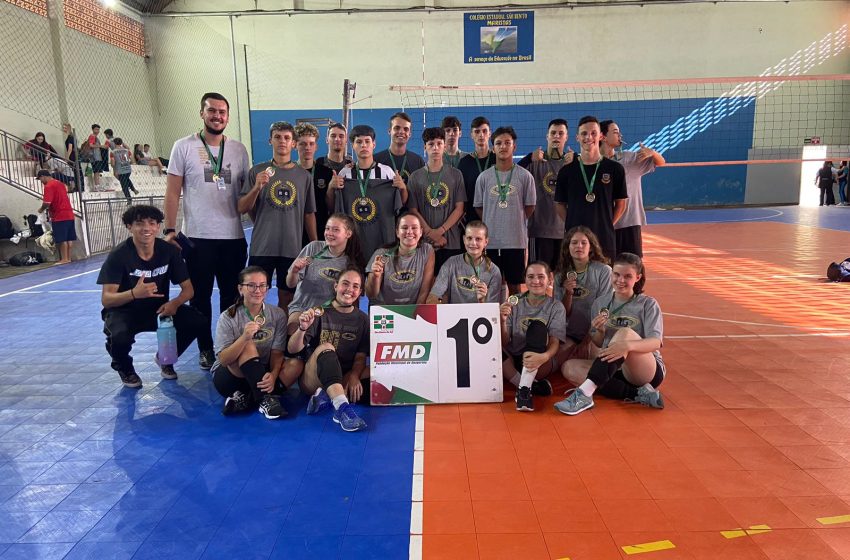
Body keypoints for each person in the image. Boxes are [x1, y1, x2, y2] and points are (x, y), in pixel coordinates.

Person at [164, 92, 250, 370]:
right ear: (202, 113)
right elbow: (173, 191)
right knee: (200, 297)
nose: (217, 116)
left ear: (228, 116)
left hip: (233, 238)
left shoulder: (238, 150)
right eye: (212, 111)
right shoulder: (183, 146)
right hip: (198, 238)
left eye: (223, 112)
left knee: (232, 297)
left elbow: (246, 193)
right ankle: (205, 349)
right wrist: (169, 230)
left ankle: (229, 347)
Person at [97, 205, 206, 388]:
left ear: (157, 227)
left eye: (152, 223)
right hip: (124, 311)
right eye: (139, 223)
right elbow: (107, 299)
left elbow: (188, 290)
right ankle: (125, 368)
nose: (146, 228)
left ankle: (165, 358)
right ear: (129, 226)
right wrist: (134, 293)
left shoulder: (169, 252)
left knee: (198, 321)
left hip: (159, 309)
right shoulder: (119, 255)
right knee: (119, 336)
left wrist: (175, 303)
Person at [556, 252, 665, 415]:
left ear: (637, 277)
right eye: (616, 274)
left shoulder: (648, 304)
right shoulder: (600, 303)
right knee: (569, 367)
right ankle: (637, 394)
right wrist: (599, 331)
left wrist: (626, 346)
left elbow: (656, 342)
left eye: (627, 276)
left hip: (644, 370)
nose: (620, 280)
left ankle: (585, 394)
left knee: (624, 333)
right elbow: (600, 343)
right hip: (613, 368)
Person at [239, 121, 317, 316]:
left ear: (293, 143)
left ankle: (281, 343)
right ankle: (254, 339)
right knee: (253, 295)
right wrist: (257, 188)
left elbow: (309, 213)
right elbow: (243, 208)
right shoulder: (257, 171)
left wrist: (315, 245)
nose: (282, 141)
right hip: (262, 246)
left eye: (286, 138)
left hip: (291, 247)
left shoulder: (303, 176)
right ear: (270, 141)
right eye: (277, 137)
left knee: (287, 296)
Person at [286, 266, 369, 432]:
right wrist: (302, 329)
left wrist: (354, 375)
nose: (350, 290)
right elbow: (292, 349)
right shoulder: (319, 312)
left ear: (360, 292)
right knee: (327, 347)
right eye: (345, 284)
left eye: (355, 286)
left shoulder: (362, 319)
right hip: (313, 377)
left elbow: (360, 357)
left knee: (381, 368)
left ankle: (328, 396)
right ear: (336, 286)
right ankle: (342, 408)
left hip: (342, 375)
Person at [211, 266, 288, 420]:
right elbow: (224, 360)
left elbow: (277, 353)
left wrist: (273, 375)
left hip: (262, 374)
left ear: (267, 289)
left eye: (262, 285)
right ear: (241, 289)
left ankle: (245, 399)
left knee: (295, 365)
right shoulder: (228, 317)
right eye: (251, 285)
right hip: (230, 376)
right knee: (248, 345)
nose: (257, 290)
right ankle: (266, 399)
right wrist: (244, 338)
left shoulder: (278, 314)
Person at [555, 115, 628, 262]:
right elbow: (559, 204)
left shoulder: (615, 169)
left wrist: (607, 223)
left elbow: (621, 203)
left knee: (605, 281)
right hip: (576, 240)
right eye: (584, 133)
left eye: (594, 133)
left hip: (604, 238)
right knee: (576, 281)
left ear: (601, 136)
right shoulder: (566, 171)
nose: (589, 137)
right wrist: (572, 225)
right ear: (577, 137)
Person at [473, 126, 536, 295]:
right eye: (499, 143)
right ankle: (495, 320)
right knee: (491, 286)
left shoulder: (524, 176)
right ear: (493, 148)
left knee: (515, 287)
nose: (503, 146)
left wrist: (514, 218)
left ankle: (514, 319)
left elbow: (529, 206)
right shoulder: (484, 177)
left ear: (514, 147)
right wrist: (492, 219)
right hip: (490, 242)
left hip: (515, 241)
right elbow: (479, 207)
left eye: (507, 143)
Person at [498, 262, 567, 412]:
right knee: (491, 347)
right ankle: (529, 386)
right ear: (525, 279)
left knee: (537, 327)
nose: (536, 281)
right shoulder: (513, 301)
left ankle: (523, 392)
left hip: (539, 360)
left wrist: (545, 356)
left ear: (550, 279)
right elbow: (503, 342)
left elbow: (555, 341)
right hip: (513, 358)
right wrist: (502, 321)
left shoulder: (556, 307)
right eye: (531, 277)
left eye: (541, 277)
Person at [330, 124, 404, 260]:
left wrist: (403, 187)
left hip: (381, 238)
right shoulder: (345, 173)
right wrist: (331, 187)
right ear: (353, 146)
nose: (363, 145)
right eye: (359, 142)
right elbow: (334, 206)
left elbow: (400, 205)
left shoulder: (387, 172)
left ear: (374, 144)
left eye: (367, 141)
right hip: (354, 242)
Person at [286, 213, 364, 334]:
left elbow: (353, 298)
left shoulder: (351, 262)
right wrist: (293, 271)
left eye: (335, 230)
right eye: (327, 228)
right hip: (303, 308)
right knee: (293, 328)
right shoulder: (313, 248)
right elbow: (290, 284)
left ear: (348, 234)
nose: (329, 233)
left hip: (331, 313)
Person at [600, 120, 665, 257]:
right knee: (607, 266)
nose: (620, 135)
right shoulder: (592, 162)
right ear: (603, 137)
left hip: (629, 223)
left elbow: (661, 162)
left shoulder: (629, 158)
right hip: (604, 224)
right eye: (615, 132)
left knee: (633, 265)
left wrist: (652, 153)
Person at [406, 127, 466, 273]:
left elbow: (460, 208)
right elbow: (413, 210)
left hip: (450, 240)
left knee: (450, 286)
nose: (435, 148)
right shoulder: (415, 177)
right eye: (431, 144)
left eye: (439, 144)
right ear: (424, 147)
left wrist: (440, 231)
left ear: (445, 146)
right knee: (425, 285)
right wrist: (429, 233)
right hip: (424, 241)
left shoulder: (456, 175)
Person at [553, 226, 611, 371]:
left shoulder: (603, 271)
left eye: (583, 243)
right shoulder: (560, 276)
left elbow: (603, 312)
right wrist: (568, 293)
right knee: (555, 361)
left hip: (596, 335)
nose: (579, 246)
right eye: (574, 243)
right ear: (568, 247)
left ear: (591, 247)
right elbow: (562, 314)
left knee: (596, 361)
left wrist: (586, 342)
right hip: (571, 334)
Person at [518, 118, 573, 269]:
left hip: (565, 232)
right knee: (537, 276)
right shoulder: (535, 162)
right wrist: (529, 158)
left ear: (566, 137)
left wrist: (578, 161)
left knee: (563, 278)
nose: (556, 136)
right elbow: (512, 173)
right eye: (553, 133)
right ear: (547, 136)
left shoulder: (572, 163)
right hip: (539, 231)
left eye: (560, 133)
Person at [366, 212, 435, 305]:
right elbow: (371, 294)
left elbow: (425, 291)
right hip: (384, 310)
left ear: (421, 232)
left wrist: (416, 314)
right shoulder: (382, 254)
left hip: (412, 310)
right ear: (397, 232)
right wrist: (375, 276)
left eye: (414, 228)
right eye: (404, 228)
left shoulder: (427, 251)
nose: (409, 231)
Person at [427, 220, 502, 304]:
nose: (473, 243)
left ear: (486, 242)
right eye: (469, 238)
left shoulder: (494, 271)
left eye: (478, 239)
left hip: (479, 315)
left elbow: (493, 311)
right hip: (453, 315)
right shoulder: (451, 263)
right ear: (464, 240)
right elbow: (433, 296)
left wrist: (483, 300)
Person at [295, 122, 335, 244]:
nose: (307, 147)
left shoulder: (326, 173)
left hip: (321, 229)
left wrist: (331, 189)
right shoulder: (289, 173)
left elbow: (331, 207)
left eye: (311, 144)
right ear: (295, 145)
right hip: (295, 230)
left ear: (316, 146)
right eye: (303, 144)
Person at [457, 116, 494, 225]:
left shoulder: (498, 159)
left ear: (490, 133)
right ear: (471, 135)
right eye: (477, 132)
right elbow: (461, 194)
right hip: (472, 219)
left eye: (484, 131)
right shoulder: (464, 162)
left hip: (496, 216)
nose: (481, 135)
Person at [36, 169, 76, 264]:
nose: (41, 182)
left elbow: (47, 202)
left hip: (59, 215)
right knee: (69, 238)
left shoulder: (49, 186)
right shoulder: (60, 184)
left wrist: (40, 210)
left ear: (43, 176)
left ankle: (64, 259)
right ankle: (69, 258)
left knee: (62, 239)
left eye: (40, 179)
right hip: (69, 214)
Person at [374, 112, 426, 184]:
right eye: (397, 128)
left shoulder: (417, 161)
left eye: (406, 129)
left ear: (409, 134)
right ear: (389, 131)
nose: (401, 132)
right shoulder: (376, 160)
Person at [111, 138, 138, 203]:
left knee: (124, 186)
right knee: (126, 179)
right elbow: (132, 160)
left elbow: (113, 163)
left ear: (114, 143)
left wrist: (114, 169)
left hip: (120, 170)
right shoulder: (127, 150)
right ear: (121, 143)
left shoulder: (113, 152)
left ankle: (129, 200)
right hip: (128, 169)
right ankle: (133, 189)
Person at [63, 123, 84, 192]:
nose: (64, 129)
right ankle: (79, 187)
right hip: (74, 156)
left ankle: (80, 187)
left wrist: (67, 158)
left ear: (69, 128)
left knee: (77, 172)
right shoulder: (72, 137)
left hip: (73, 157)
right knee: (76, 172)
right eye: (63, 128)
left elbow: (70, 148)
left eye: (65, 128)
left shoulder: (70, 137)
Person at [87, 124, 104, 188]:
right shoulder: (92, 136)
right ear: (93, 129)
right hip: (94, 157)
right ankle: (97, 186)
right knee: (96, 171)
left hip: (97, 156)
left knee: (97, 172)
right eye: (96, 129)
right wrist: (100, 146)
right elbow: (91, 145)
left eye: (98, 129)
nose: (98, 131)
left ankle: (98, 185)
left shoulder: (95, 137)